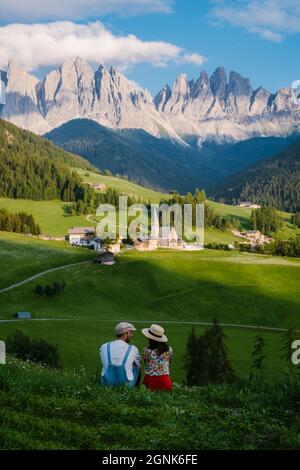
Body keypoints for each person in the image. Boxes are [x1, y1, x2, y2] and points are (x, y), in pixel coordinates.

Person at [100, 322, 141, 387]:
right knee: (137, 365)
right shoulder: (133, 348)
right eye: (131, 333)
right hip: (126, 385)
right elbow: (138, 366)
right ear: (126, 333)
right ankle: (136, 388)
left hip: (106, 383)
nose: (132, 335)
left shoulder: (104, 346)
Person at [142, 324, 173, 391]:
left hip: (151, 381)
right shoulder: (169, 350)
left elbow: (147, 364)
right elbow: (169, 365)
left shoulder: (146, 351)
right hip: (166, 381)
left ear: (150, 338)